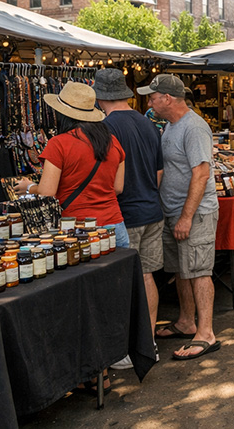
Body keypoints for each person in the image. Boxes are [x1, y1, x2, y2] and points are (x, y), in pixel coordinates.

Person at [142, 74, 221, 361]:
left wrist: (187, 216)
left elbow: (201, 173)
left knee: (199, 270)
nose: (149, 101)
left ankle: (206, 333)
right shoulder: (172, 126)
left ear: (167, 98)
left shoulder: (194, 127)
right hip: (174, 210)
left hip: (194, 212)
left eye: (152, 96)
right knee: (182, 269)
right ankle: (187, 320)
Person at [93, 69, 164, 370]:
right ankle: (147, 343)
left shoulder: (104, 127)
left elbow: (107, 178)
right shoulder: (146, 122)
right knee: (146, 275)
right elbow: (159, 172)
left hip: (125, 213)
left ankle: (126, 347)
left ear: (99, 97)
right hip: (151, 208)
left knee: (123, 281)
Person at [14, 82, 127, 247]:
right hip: (114, 225)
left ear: (63, 114)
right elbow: (117, 188)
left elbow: (47, 192)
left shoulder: (59, 143)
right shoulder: (112, 141)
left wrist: (29, 187)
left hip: (77, 228)